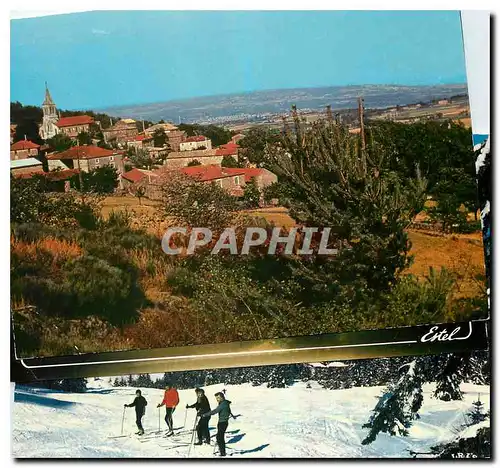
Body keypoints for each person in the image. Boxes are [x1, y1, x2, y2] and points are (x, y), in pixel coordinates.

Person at [201, 392, 234, 457]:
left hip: (223, 423)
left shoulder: (223, 404)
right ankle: (221, 450)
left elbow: (215, 411)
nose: (217, 399)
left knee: (220, 437)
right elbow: (228, 410)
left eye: (218, 398)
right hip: (222, 422)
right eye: (216, 398)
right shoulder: (224, 403)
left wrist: (205, 415)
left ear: (222, 397)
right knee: (219, 437)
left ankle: (223, 453)